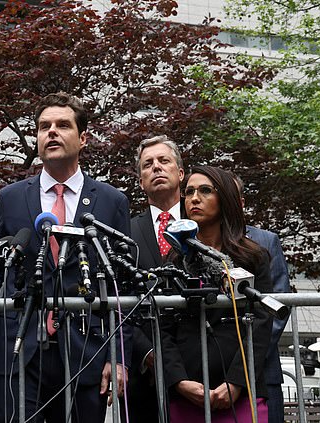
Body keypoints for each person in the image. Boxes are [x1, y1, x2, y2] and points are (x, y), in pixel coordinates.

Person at [0, 92, 132, 422]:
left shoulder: (111, 200)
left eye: (62, 125)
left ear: (83, 137)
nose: (51, 132)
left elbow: (122, 285)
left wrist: (119, 357)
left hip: (86, 350)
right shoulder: (12, 197)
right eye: (44, 126)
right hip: (19, 347)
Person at [162, 165, 273, 421]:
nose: (194, 198)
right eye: (188, 192)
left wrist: (237, 381)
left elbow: (261, 324)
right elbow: (163, 328)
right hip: (187, 391)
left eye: (204, 191)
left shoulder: (253, 257)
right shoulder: (173, 262)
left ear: (225, 198)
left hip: (241, 392)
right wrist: (178, 380)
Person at [125, 135, 186, 423]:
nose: (156, 168)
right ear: (140, 181)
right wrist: (146, 351)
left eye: (164, 161)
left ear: (181, 172)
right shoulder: (124, 229)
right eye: (147, 165)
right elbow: (120, 297)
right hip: (144, 374)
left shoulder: (203, 224)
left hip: (200, 364)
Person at [234, 174, 291, 423]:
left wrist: (248, 354)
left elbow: (278, 303)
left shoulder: (267, 241)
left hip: (263, 370)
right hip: (214, 373)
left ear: (241, 202)